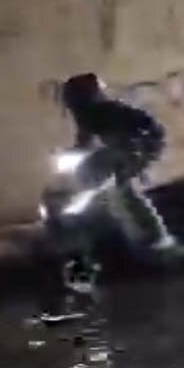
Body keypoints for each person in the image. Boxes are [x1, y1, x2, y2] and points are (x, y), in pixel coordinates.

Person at [61, 73, 175, 253]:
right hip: (124, 147)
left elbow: (138, 131)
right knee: (94, 174)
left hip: (143, 145)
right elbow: (84, 140)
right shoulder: (87, 114)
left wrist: (138, 156)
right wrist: (69, 153)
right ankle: (118, 228)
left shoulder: (109, 110)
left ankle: (158, 237)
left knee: (123, 188)